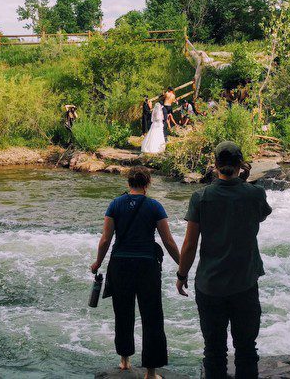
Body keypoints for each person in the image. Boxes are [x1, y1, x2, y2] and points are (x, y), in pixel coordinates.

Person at [176, 141, 272, 379]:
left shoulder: (201, 197)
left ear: (215, 164)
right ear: (241, 164)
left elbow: (189, 245)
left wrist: (181, 275)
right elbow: (260, 216)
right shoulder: (255, 194)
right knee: (247, 350)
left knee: (214, 351)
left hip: (210, 285)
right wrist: (244, 181)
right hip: (245, 283)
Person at [90, 167, 181, 379]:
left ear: (128, 183)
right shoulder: (154, 206)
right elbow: (167, 241)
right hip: (147, 266)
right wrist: (182, 265)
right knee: (152, 317)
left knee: (123, 313)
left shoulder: (115, 204)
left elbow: (106, 239)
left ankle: (124, 361)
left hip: (120, 265)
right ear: (147, 183)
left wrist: (97, 263)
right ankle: (150, 372)